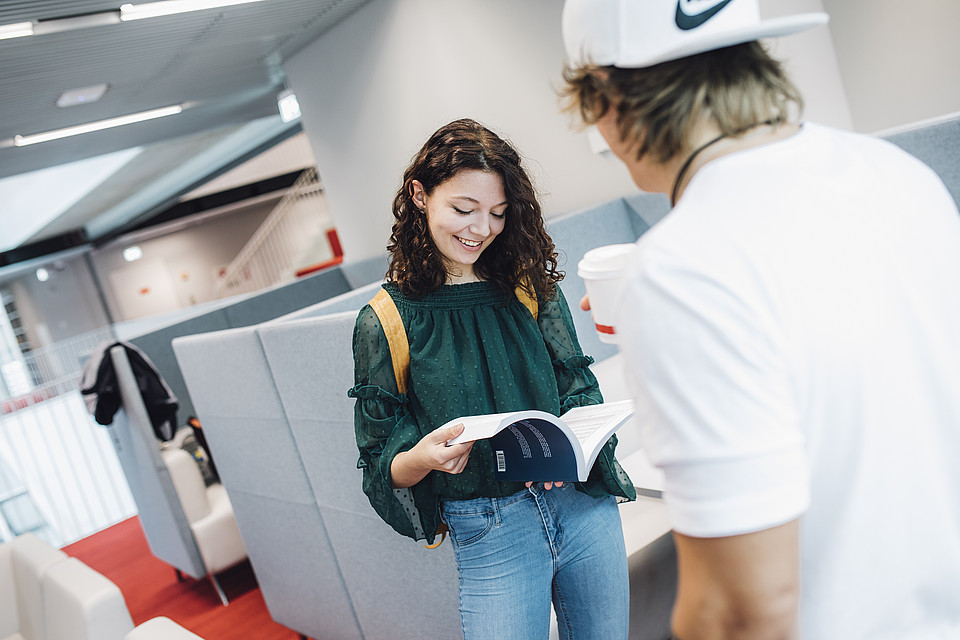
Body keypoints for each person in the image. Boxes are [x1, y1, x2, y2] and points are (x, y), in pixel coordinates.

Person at [560, 0, 960, 638]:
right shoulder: (899, 176)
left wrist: (670, 302)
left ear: (609, 99)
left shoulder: (684, 271)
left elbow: (742, 610)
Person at [349, 118, 636, 640]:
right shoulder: (387, 321)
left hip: (581, 507)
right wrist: (422, 458)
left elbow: (577, 388)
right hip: (490, 527)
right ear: (419, 195)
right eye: (463, 209)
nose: (481, 228)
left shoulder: (529, 288)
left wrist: (574, 446)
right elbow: (379, 463)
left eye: (498, 214)